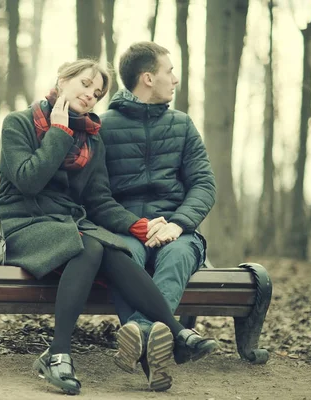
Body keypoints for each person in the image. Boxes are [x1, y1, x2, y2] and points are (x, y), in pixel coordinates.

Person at [0, 59, 217, 395]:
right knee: (90, 245)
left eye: (97, 93)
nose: (90, 95)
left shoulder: (90, 139)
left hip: (66, 225)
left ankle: (176, 333)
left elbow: (99, 202)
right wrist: (58, 132)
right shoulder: (20, 123)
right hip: (22, 222)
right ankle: (60, 353)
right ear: (62, 79)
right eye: (84, 84)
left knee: (114, 248)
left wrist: (137, 226)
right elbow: (28, 181)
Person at [99, 42, 218, 384]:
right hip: (124, 229)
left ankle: (142, 335)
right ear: (148, 78)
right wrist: (134, 225)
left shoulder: (182, 125)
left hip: (177, 232)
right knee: (122, 257)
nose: (175, 79)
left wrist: (179, 223)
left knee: (178, 256)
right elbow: (97, 193)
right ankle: (162, 353)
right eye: (169, 71)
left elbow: (204, 184)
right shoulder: (103, 126)